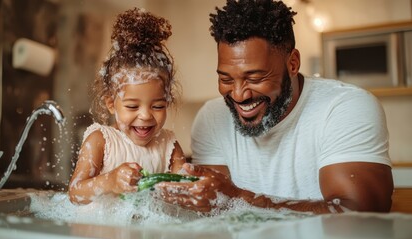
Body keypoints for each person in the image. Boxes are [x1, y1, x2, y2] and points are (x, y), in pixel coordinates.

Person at [155, 0, 393, 214]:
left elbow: (359, 216)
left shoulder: (345, 107)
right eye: (226, 79)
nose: (239, 94)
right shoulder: (211, 118)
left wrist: (240, 198)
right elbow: (214, 212)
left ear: (293, 63)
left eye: (255, 78)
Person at [68, 8, 186, 204]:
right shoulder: (101, 141)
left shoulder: (169, 146)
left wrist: (187, 185)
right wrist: (110, 181)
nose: (146, 115)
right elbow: (75, 193)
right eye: (132, 107)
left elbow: (185, 193)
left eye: (157, 106)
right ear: (111, 104)